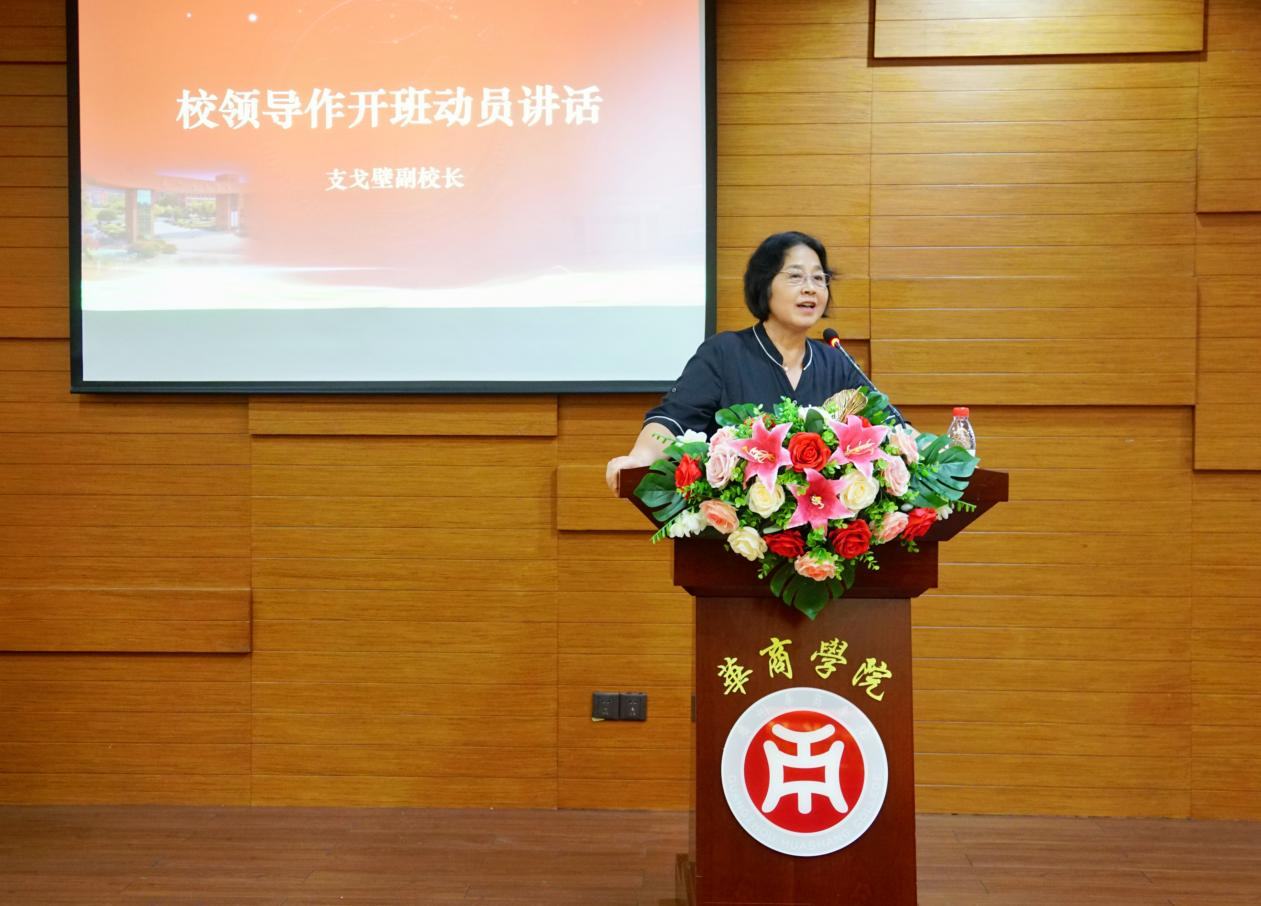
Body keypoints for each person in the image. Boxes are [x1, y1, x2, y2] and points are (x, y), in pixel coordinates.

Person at [605, 230, 904, 493]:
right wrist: (640, 458)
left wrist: (918, 449)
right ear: (764, 284)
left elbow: (890, 428)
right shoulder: (724, 353)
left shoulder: (836, 362)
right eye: (795, 276)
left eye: (819, 278)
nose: (810, 288)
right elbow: (674, 419)